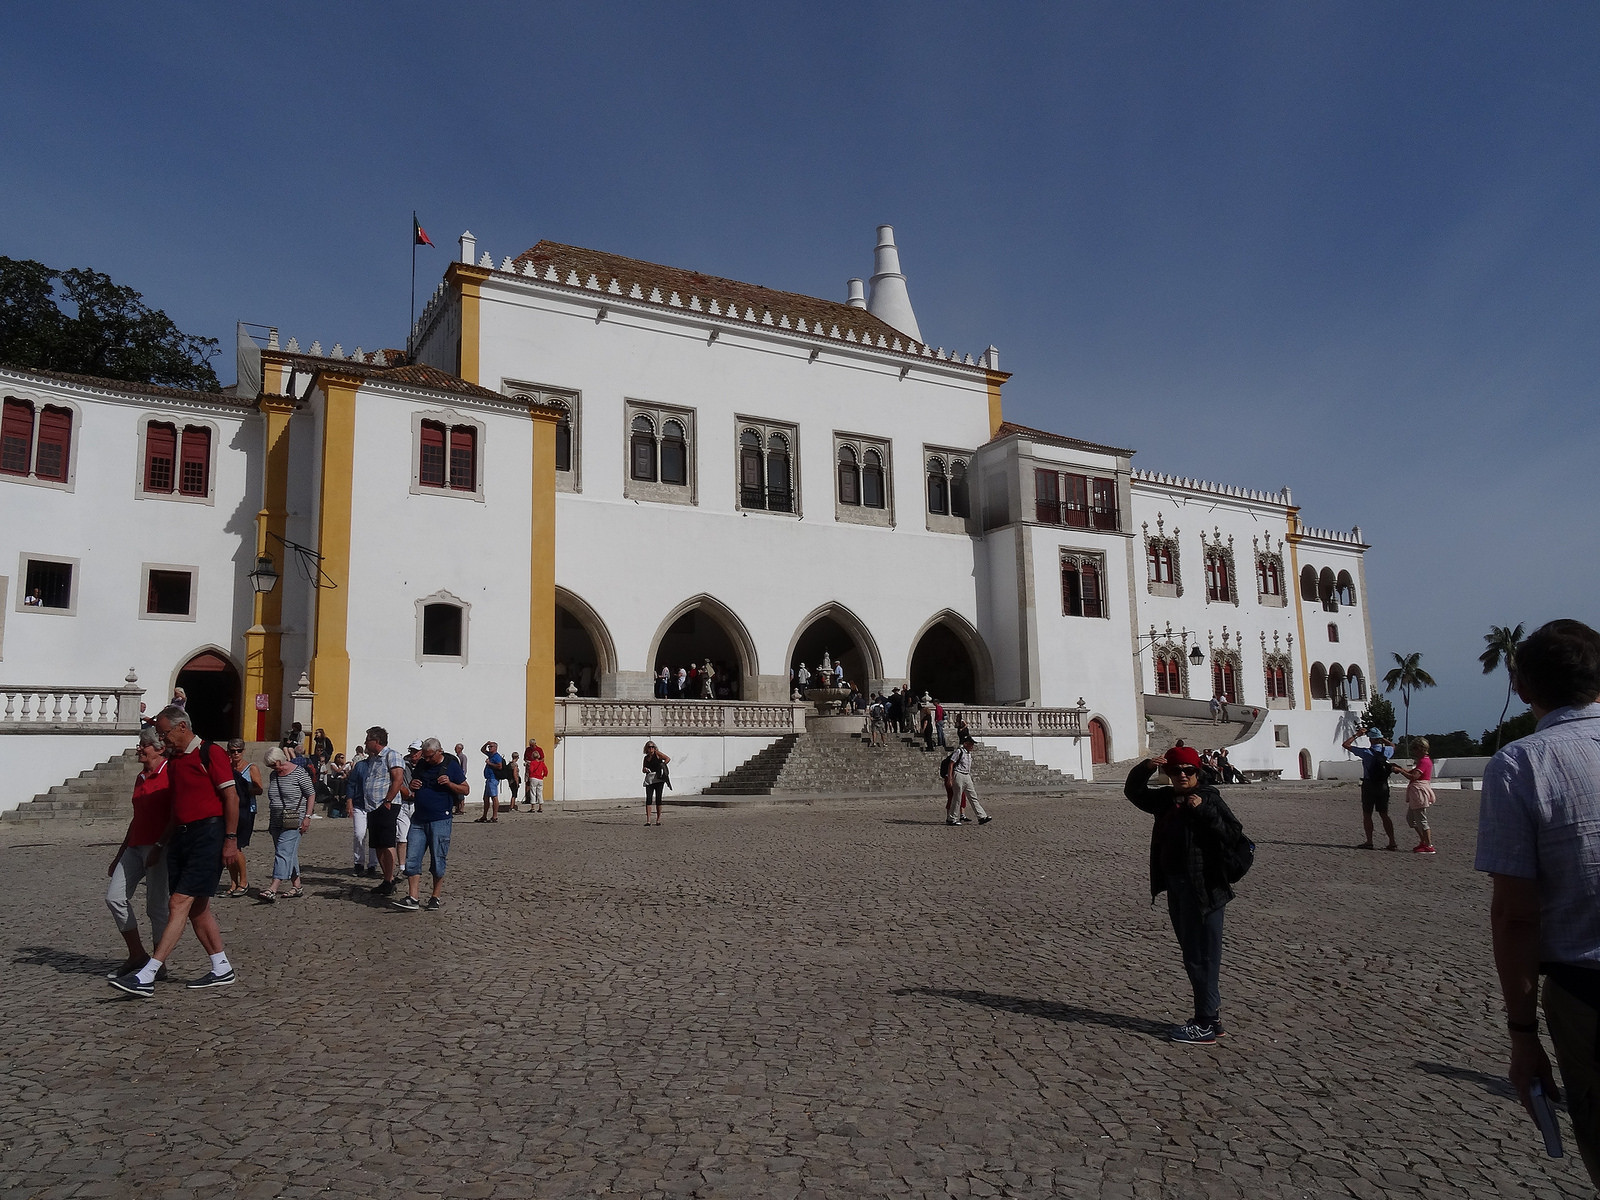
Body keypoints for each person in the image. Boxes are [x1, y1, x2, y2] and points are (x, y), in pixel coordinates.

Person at [1475, 619, 1600, 1189]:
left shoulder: (1520, 765)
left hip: (1586, 994)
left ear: (1521, 687)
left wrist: (1522, 1034)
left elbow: (1516, 914)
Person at [109, 704, 239, 996]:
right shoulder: (177, 761)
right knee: (197, 909)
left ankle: (148, 972)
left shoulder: (211, 753)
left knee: (178, 903)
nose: (162, 739)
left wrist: (230, 839)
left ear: (182, 727)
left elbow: (231, 797)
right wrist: (161, 841)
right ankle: (221, 967)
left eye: (164, 733)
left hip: (207, 833)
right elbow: (175, 810)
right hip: (181, 837)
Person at [1124, 745, 1242, 1045]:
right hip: (1178, 886)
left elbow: (1232, 834)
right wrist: (1147, 767)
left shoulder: (1210, 798)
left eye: (1188, 770)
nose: (1182, 775)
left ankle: (1204, 1023)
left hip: (1203, 889)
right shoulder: (1165, 800)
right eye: (1175, 770)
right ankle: (1211, 1019)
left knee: (1201, 956)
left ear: (1197, 772)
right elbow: (1134, 792)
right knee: (1197, 955)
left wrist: (1202, 809)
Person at [104, 729, 173, 980]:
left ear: (159, 748)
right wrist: (120, 853)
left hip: (159, 848)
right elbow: (137, 818)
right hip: (134, 846)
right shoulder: (141, 777)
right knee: (115, 898)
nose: (139, 749)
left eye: (144, 745)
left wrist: (159, 846)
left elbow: (174, 816)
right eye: (139, 744)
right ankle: (137, 954)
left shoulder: (170, 774)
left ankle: (158, 963)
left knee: (156, 907)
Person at [394, 738, 467, 911]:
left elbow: (465, 789)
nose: (426, 760)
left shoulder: (451, 766)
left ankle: (435, 896)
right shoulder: (421, 765)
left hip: (440, 819)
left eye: (429, 757)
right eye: (424, 757)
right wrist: (413, 785)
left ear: (439, 752)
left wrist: (449, 783)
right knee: (412, 857)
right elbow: (413, 785)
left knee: (438, 858)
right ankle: (413, 897)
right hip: (419, 818)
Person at [353, 726, 407, 893]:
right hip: (372, 806)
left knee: (387, 842)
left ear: (376, 741)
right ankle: (387, 879)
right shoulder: (374, 759)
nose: (365, 743)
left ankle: (390, 880)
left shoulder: (392, 755)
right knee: (377, 844)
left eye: (367, 739)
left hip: (386, 805)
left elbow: (398, 780)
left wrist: (388, 800)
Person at [257, 746, 315, 901]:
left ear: (279, 760)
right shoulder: (273, 775)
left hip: (293, 818)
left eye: (273, 764)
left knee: (283, 851)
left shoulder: (299, 773)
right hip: (276, 818)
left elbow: (311, 793)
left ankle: (273, 888)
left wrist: (307, 816)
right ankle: (297, 886)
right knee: (288, 852)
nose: (272, 768)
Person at [1342, 728, 1398, 850]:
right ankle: (1392, 842)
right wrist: (1382, 737)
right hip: (1383, 785)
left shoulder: (1366, 753)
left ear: (1370, 739)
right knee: (1384, 814)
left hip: (1369, 785)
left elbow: (1346, 745)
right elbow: (1393, 745)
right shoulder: (1387, 751)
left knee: (1367, 814)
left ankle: (1369, 841)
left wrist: (1357, 734)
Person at [223, 738, 263, 897]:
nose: (236, 754)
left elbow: (259, 789)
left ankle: (244, 881)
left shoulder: (250, 768)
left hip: (246, 810)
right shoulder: (226, 767)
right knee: (227, 847)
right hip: (229, 810)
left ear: (243, 751)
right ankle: (233, 882)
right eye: (232, 751)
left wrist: (241, 788)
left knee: (236, 846)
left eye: (238, 751)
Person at [1394, 737, 1436, 854]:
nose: (1414, 752)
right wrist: (1401, 769)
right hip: (1416, 791)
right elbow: (1413, 772)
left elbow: (1414, 776)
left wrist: (1401, 771)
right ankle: (1424, 841)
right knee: (1411, 819)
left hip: (1419, 791)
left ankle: (1428, 844)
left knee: (1421, 820)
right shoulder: (1423, 761)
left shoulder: (1424, 761)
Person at [946, 735, 990, 827]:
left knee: (973, 796)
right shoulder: (959, 751)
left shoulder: (968, 753)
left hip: (967, 775)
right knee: (957, 797)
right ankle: (952, 818)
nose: (972, 746)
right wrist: (950, 778)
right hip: (958, 774)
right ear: (965, 744)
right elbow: (951, 764)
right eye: (971, 744)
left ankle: (981, 816)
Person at [643, 741, 670, 826]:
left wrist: (662, 765)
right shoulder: (646, 758)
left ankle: (658, 819)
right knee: (649, 799)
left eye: (652, 747)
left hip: (659, 779)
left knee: (658, 798)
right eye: (649, 747)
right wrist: (645, 770)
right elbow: (643, 768)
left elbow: (667, 758)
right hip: (650, 780)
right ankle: (648, 820)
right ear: (646, 748)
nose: (651, 749)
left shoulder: (657, 754)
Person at [527, 741, 548, 813]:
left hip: (533, 778)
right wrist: (543, 775)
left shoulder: (532, 763)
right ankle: (540, 807)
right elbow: (546, 770)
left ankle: (533, 807)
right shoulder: (541, 763)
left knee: (533, 792)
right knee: (540, 792)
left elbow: (531, 770)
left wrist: (530, 776)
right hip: (540, 778)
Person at [453, 743, 469, 815]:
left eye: (456, 748)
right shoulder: (457, 757)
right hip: (456, 777)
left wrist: (461, 777)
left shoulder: (463, 757)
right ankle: (458, 808)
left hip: (460, 777)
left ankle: (461, 808)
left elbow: (464, 768)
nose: (455, 749)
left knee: (461, 793)